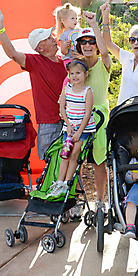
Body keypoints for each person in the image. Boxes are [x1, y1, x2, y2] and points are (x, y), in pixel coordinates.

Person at [0, 6, 66, 161]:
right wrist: (0, 27)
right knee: (51, 164)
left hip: (71, 120)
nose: (53, 39)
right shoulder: (35, 61)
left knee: (71, 164)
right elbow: (12, 54)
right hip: (50, 123)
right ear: (39, 48)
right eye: (48, 38)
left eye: (52, 36)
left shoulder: (66, 62)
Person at [76, 12, 112, 212]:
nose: (88, 45)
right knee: (75, 159)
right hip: (79, 118)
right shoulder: (77, 67)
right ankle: (77, 201)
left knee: (100, 161)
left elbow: (106, 52)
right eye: (84, 42)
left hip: (99, 120)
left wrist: (94, 24)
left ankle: (100, 201)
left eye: (91, 42)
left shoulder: (104, 63)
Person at [47, 58, 96, 197]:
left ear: (86, 74)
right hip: (69, 127)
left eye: (78, 73)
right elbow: (62, 107)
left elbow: (87, 113)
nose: (75, 76)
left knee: (75, 153)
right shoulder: (67, 89)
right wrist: (68, 126)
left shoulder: (87, 91)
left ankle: (67, 182)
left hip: (83, 129)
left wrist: (79, 132)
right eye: (72, 73)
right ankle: (59, 182)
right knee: (65, 153)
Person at [100, 2, 138, 105]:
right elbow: (108, 42)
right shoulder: (127, 58)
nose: (136, 43)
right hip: (122, 113)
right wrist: (105, 16)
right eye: (132, 40)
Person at [54, 3, 81, 70]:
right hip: (69, 60)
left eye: (76, 18)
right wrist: (65, 47)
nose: (75, 20)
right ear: (63, 21)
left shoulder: (79, 31)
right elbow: (63, 52)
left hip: (80, 59)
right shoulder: (63, 35)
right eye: (72, 18)